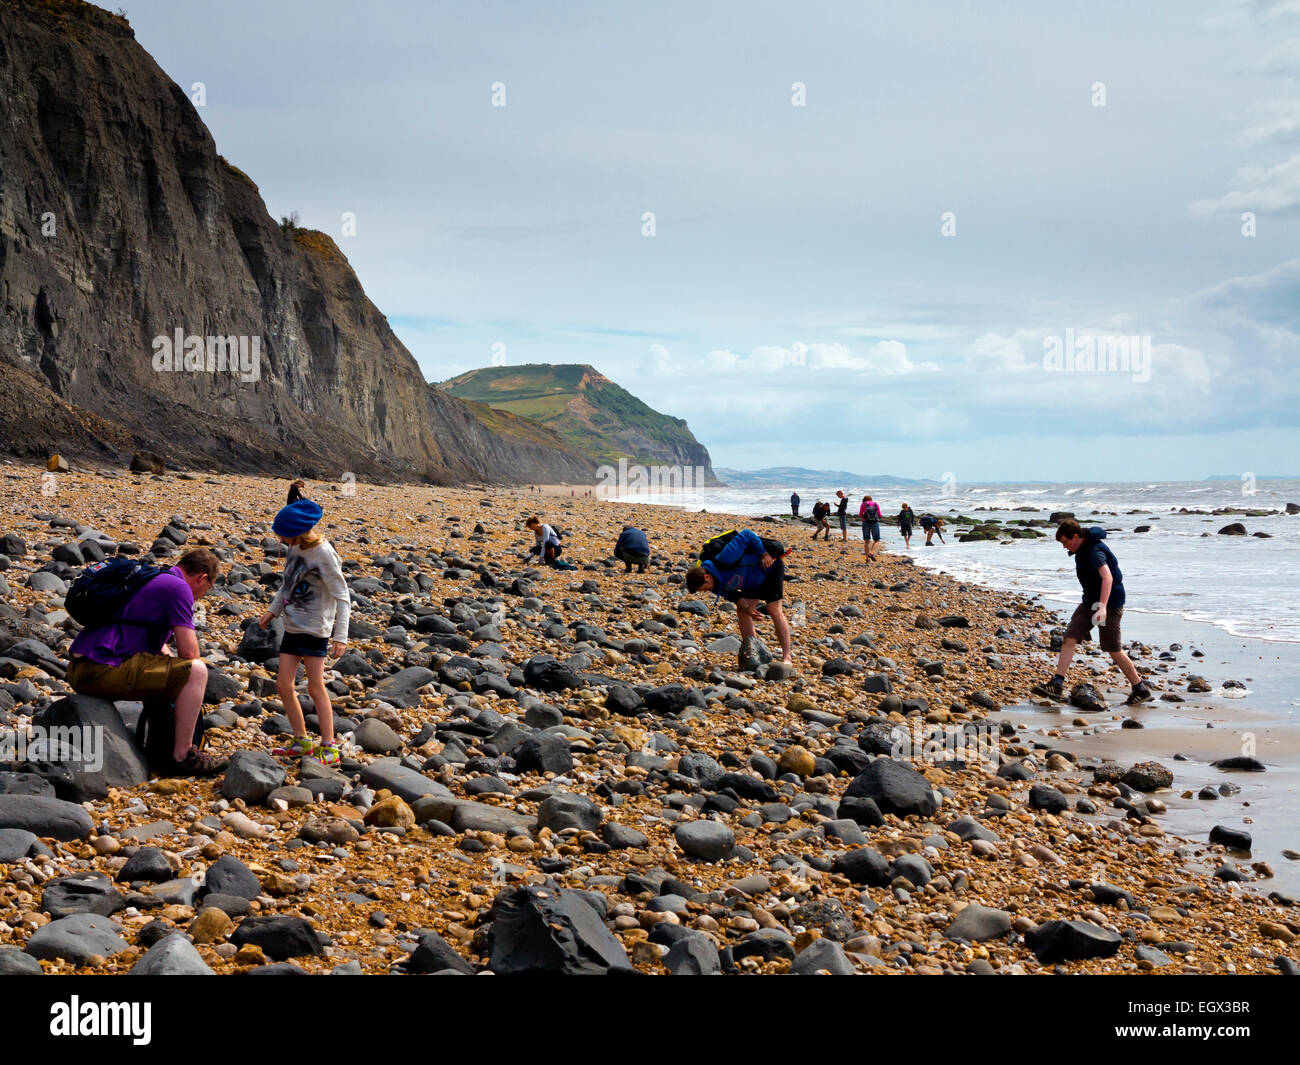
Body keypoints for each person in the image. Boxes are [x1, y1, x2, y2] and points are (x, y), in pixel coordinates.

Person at [66, 549, 227, 775]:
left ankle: (159, 752)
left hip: (83, 666)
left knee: (168, 668)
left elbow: (150, 640)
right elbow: (190, 653)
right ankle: (183, 756)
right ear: (201, 578)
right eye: (207, 589)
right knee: (197, 672)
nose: (201, 596)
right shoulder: (179, 588)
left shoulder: (152, 578)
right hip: (101, 670)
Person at [258, 499, 351, 765]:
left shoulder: (323, 553)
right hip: (292, 626)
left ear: (297, 530)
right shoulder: (294, 548)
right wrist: (273, 611)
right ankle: (301, 740)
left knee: (315, 686)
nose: (279, 538)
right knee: (282, 684)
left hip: (314, 630)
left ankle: (329, 744)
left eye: (282, 533)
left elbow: (342, 596)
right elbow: (288, 584)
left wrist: (340, 636)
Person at [1035, 520, 1153, 707]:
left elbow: (1108, 577)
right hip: (1090, 601)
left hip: (1109, 603)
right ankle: (1057, 683)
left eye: (1065, 542)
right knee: (1070, 637)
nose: (1064, 547)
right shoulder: (1082, 547)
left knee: (1113, 648)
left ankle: (1140, 688)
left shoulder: (1093, 551)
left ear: (1076, 537)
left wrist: (1103, 607)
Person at [685, 529, 792, 666]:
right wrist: (747, 608)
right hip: (751, 581)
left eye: (705, 588)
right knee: (742, 612)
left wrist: (764, 554)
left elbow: (747, 534)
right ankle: (754, 652)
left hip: (769, 568)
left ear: (706, 577)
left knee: (773, 609)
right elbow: (733, 595)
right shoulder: (715, 584)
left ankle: (787, 657)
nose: (708, 591)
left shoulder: (725, 558)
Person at [859, 495, 883, 560]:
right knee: (877, 540)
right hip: (875, 523)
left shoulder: (863, 504)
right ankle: (872, 552)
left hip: (865, 523)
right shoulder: (875, 504)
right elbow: (880, 515)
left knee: (867, 541)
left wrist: (864, 517)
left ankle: (867, 558)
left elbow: (860, 514)